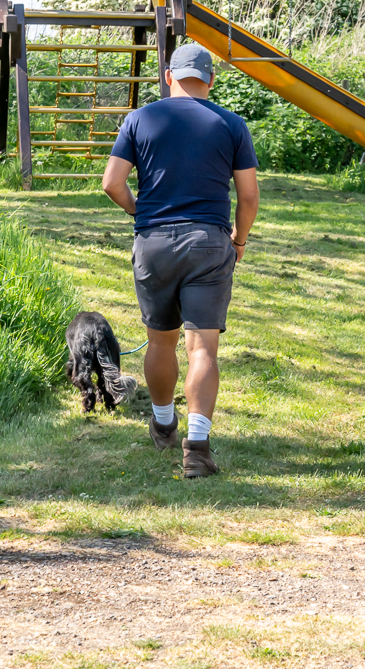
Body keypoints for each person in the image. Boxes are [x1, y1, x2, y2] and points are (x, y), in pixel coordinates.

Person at [102, 42, 259, 479]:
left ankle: (163, 422)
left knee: (160, 341)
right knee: (202, 347)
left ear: (169, 76)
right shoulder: (232, 125)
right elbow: (248, 196)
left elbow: (112, 183)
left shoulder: (139, 119)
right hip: (209, 241)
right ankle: (198, 446)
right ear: (210, 80)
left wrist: (141, 212)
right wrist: (239, 240)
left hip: (154, 242)